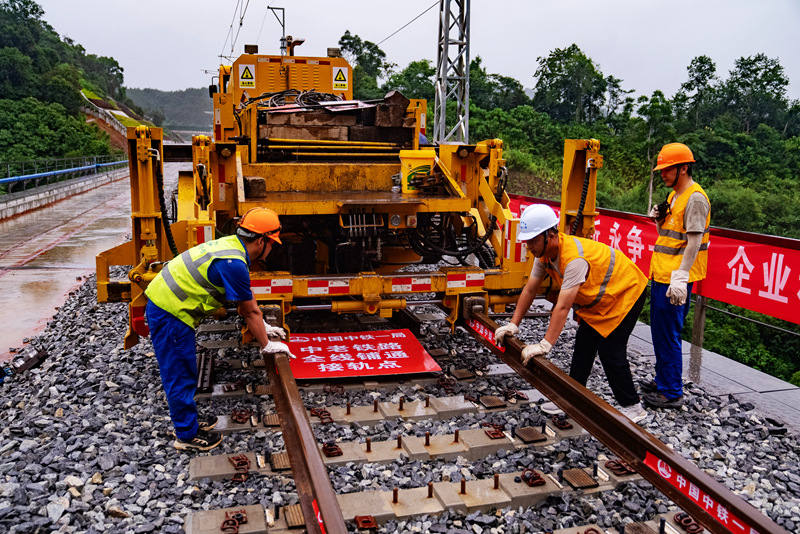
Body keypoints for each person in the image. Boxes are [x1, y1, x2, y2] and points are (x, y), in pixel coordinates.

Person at [144, 208, 294, 451]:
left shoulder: (231, 246)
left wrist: (263, 325)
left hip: (167, 304)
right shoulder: (234, 262)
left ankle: (189, 422)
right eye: (272, 243)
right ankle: (186, 435)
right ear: (261, 241)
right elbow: (249, 311)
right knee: (180, 372)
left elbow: (246, 301)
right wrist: (267, 344)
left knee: (186, 369)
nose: (272, 249)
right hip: (169, 311)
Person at [494, 204, 649, 423]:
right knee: (584, 344)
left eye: (533, 241)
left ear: (550, 235)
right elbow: (530, 289)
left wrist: (545, 344)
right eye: (527, 241)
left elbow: (563, 307)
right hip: (602, 300)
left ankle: (633, 407)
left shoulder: (574, 259)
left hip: (627, 292)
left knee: (610, 351)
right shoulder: (544, 255)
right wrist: (513, 324)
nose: (529, 246)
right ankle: (572, 397)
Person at [643, 143, 710, 408]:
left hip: (674, 280)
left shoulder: (695, 198)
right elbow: (668, 237)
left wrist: (681, 276)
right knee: (660, 331)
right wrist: (659, 220)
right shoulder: (674, 197)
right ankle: (663, 380)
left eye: (667, 169)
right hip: (661, 275)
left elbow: (694, 242)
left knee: (668, 332)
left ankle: (671, 391)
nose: (663, 174)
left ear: (683, 168)